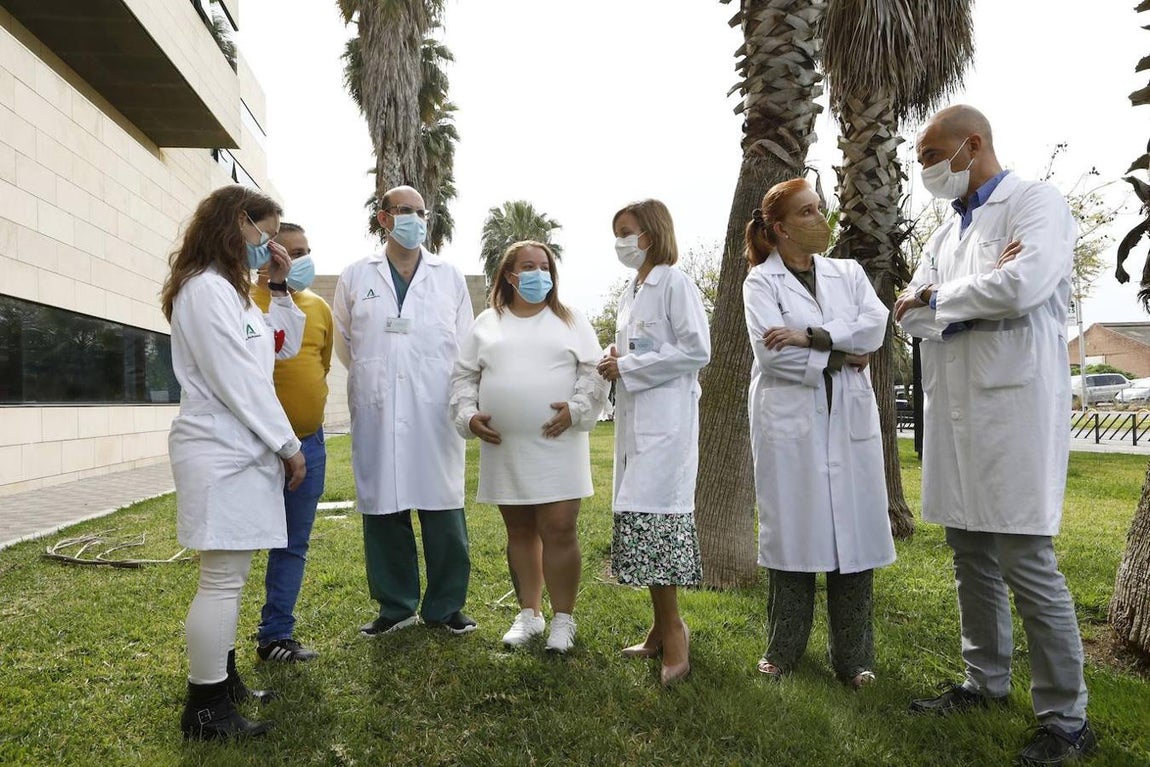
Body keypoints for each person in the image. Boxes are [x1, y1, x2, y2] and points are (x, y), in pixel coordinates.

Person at [895, 105, 1095, 766]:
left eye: (930, 155)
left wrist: (939, 300)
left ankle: (1067, 719)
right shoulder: (945, 234)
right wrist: (940, 300)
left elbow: (1022, 285)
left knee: (1026, 562)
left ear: (970, 144)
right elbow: (908, 317)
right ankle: (984, 681)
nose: (925, 170)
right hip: (954, 415)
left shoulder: (1035, 203)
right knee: (969, 553)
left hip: (1012, 412)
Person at [161, 185, 307, 740]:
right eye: (264, 232)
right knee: (221, 580)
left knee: (232, 577)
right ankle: (205, 708)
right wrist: (288, 444)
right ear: (235, 224)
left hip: (243, 451)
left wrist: (278, 284)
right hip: (220, 449)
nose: (269, 243)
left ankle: (222, 682)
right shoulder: (203, 291)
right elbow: (235, 380)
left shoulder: (235, 292)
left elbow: (278, 350)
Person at [742, 179, 896, 689]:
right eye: (808, 212)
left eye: (819, 208)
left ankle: (855, 660)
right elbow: (773, 356)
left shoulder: (847, 272)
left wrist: (814, 335)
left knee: (851, 541)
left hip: (846, 420)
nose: (820, 217)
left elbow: (875, 326)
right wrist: (843, 353)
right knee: (793, 538)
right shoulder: (760, 284)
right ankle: (783, 651)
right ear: (781, 228)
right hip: (792, 425)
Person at [450, 241, 608, 653]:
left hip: (558, 442)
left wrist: (574, 410)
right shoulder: (488, 322)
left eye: (545, 266)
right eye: (528, 266)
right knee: (519, 530)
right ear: (509, 275)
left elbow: (593, 373)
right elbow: (464, 377)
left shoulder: (571, 320)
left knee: (559, 529)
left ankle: (563, 620)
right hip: (505, 446)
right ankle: (529, 615)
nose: (539, 273)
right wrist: (469, 415)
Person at [333, 185, 476, 637]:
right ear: (383, 218)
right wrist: (380, 376)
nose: (415, 219)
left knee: (443, 510)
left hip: (435, 409)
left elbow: (466, 343)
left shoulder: (448, 276)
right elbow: (345, 344)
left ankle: (446, 606)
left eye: (421, 211)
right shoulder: (357, 276)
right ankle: (395, 607)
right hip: (378, 407)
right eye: (405, 211)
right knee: (383, 511)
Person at [596, 199, 710, 686]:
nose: (620, 241)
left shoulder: (674, 282)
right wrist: (614, 356)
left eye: (627, 231)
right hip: (637, 422)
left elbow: (696, 350)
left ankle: (676, 634)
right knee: (640, 524)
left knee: (655, 525)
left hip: (667, 426)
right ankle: (660, 628)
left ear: (651, 232)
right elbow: (638, 348)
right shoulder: (632, 289)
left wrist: (631, 366)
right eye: (616, 232)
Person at [251, 223, 333, 663]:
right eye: (291, 251)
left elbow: (320, 365)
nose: (300, 260)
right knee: (242, 543)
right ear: (267, 253)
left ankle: (275, 634)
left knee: (292, 543)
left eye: (306, 251)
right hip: (257, 448)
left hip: (310, 443)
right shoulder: (243, 302)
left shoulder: (319, 307)